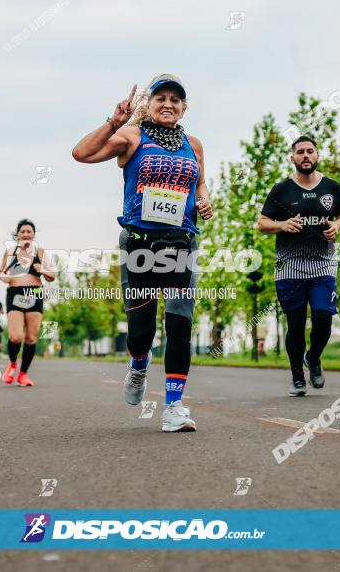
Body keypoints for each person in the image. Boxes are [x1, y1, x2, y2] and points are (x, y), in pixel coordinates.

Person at [72, 74, 213, 432]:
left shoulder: (193, 144)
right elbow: (82, 154)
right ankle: (138, 365)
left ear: (184, 107)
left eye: (176, 99)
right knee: (140, 332)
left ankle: (174, 405)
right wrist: (113, 123)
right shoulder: (133, 137)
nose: (168, 104)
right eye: (161, 97)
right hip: (140, 244)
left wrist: (204, 199)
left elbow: (199, 183)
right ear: (148, 104)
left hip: (182, 242)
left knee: (180, 323)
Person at [256, 135, 340, 397]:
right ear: (292, 158)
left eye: (310, 151)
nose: (305, 155)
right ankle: (297, 375)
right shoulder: (281, 190)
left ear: (317, 156)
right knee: (295, 323)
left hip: (323, 264)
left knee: (323, 318)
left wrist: (337, 226)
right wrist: (281, 225)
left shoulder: (331, 187)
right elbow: (262, 223)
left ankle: (314, 357)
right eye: (300, 152)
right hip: (289, 265)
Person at [0, 219, 55, 386]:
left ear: (34, 235)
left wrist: (43, 270)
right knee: (16, 337)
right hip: (15, 294)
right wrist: (5, 278)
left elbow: (52, 277)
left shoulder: (40, 253)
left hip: (35, 294)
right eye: (22, 231)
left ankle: (23, 374)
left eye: (29, 231)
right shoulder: (10, 251)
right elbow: (0, 273)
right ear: (17, 234)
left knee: (31, 338)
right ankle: (13, 364)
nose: (26, 234)